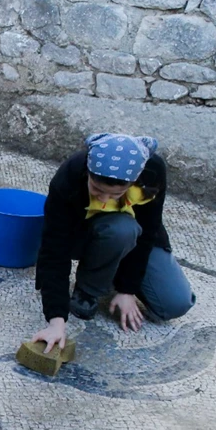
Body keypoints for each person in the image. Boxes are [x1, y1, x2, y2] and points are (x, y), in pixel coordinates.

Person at [32, 133, 195, 354]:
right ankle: (88, 289)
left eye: (116, 194)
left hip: (135, 237)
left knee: (174, 304)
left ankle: (114, 271)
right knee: (120, 229)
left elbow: (148, 231)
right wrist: (56, 321)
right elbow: (54, 250)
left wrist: (127, 289)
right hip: (88, 235)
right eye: (97, 190)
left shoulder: (152, 170)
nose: (103, 199)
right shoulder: (70, 174)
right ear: (88, 173)